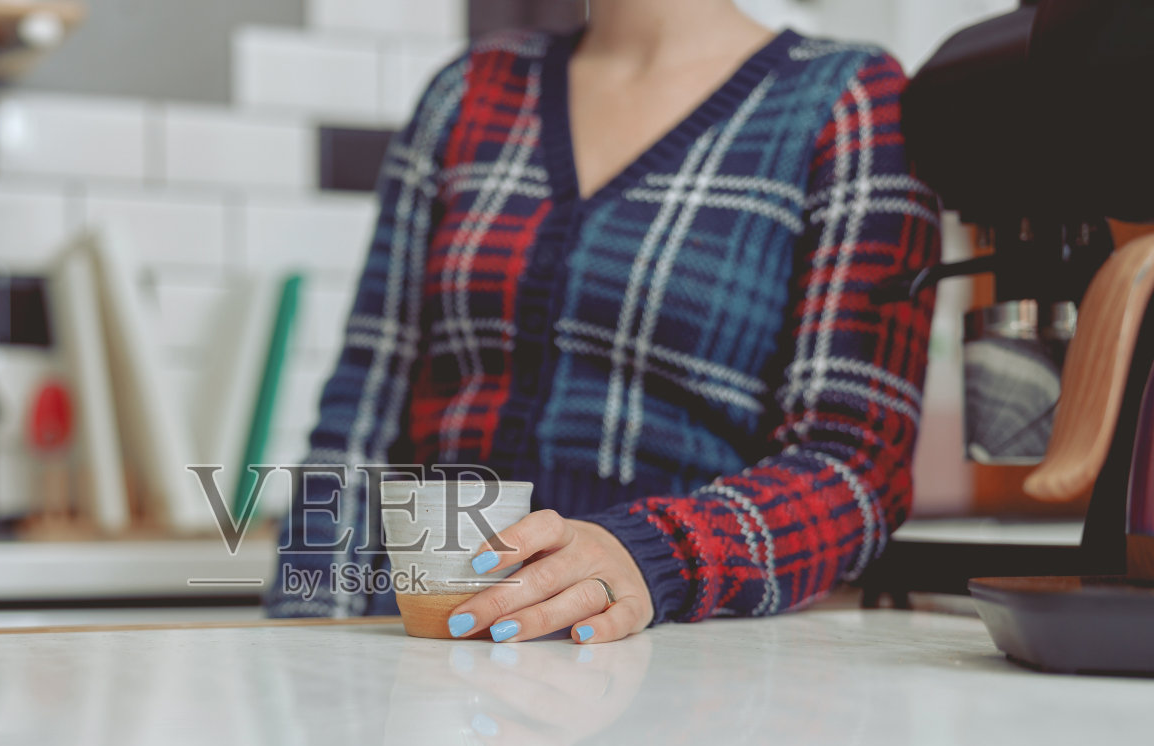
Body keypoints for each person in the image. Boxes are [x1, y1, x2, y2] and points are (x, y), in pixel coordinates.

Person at [265, 0, 940, 644]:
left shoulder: (849, 102)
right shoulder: (467, 90)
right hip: (414, 637)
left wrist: (655, 552)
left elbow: (855, 468)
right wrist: (308, 634)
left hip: (674, 654)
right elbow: (359, 419)